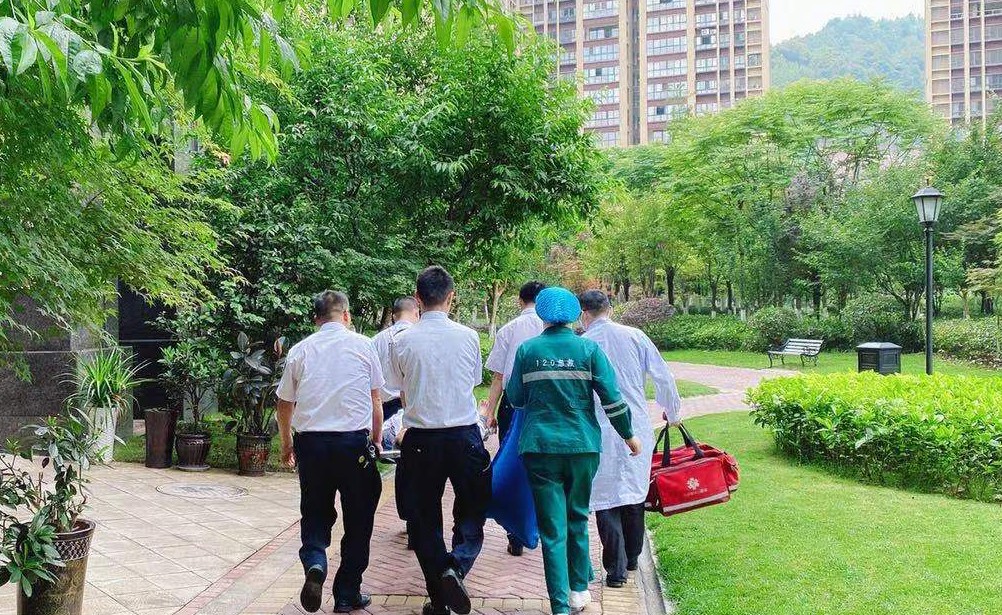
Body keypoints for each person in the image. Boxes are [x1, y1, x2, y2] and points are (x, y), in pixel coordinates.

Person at [505, 287, 642, 615]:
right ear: (576, 315)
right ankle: (579, 591)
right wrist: (629, 435)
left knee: (552, 529)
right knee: (578, 517)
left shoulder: (527, 350)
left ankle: (559, 605)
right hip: (582, 446)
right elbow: (612, 398)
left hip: (540, 448)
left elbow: (516, 398)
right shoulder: (589, 349)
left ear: (541, 315)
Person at [387, 266, 490, 615]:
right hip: (464, 435)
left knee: (423, 519)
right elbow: (473, 379)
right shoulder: (468, 337)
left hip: (420, 439)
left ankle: (440, 593)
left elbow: (397, 385)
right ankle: (456, 567)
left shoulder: (401, 340)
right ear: (451, 297)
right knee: (472, 509)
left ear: (417, 298)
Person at [276, 291, 385, 614]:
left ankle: (315, 561)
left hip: (312, 446)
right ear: (347, 316)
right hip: (353, 445)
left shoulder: (300, 350)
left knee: (315, 511)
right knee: (359, 518)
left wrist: (287, 444)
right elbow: (376, 399)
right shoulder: (364, 346)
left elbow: (284, 404)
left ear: (316, 319)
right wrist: (377, 439)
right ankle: (347, 593)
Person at [578, 290, 682, 588]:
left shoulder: (583, 344)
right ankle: (633, 556)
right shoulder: (635, 336)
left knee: (605, 497)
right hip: (635, 424)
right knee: (634, 492)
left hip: (597, 427)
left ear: (583, 314)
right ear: (609, 309)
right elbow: (663, 376)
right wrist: (672, 411)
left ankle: (616, 569)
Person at [482, 280, 546, 556]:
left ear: (521, 301)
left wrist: (490, 412)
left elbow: (498, 376)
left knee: (512, 461)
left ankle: (515, 534)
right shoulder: (553, 327)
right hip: (546, 404)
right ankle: (542, 527)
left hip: (513, 402)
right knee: (544, 465)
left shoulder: (509, 329)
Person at [372, 296, 421, 423]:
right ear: (417, 313)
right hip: (413, 408)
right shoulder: (421, 339)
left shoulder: (376, 341)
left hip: (383, 409)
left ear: (394, 317)